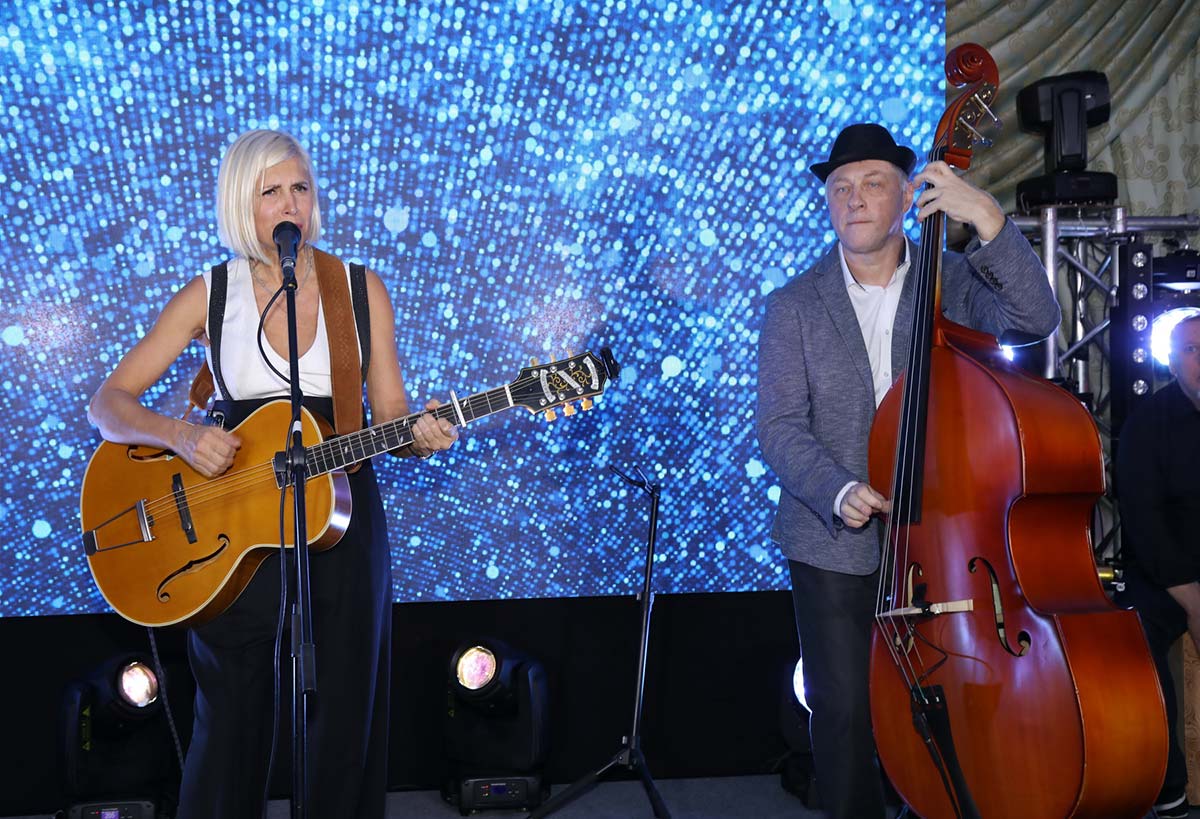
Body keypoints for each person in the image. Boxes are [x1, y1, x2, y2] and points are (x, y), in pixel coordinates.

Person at [87, 129, 458, 818]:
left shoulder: (359, 289)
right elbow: (107, 404)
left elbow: (392, 415)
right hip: (229, 528)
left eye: (301, 188)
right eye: (271, 192)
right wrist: (181, 436)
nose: (291, 204)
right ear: (240, 203)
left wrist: (423, 435)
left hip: (341, 511)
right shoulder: (211, 293)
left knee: (344, 718)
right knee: (230, 724)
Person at [755, 122, 1060, 818]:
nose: (854, 199)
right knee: (842, 711)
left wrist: (985, 217)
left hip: (946, 534)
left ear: (906, 198)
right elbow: (778, 426)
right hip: (833, 540)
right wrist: (838, 487)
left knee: (957, 693)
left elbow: (1036, 317)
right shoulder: (792, 305)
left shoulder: (949, 281)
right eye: (840, 188)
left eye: (872, 183)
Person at [1115, 312, 1200, 819]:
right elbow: (1144, 525)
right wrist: (1194, 602)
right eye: (1191, 349)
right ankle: (1169, 791)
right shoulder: (1147, 424)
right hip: (1167, 577)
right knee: (1134, 640)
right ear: (1171, 361)